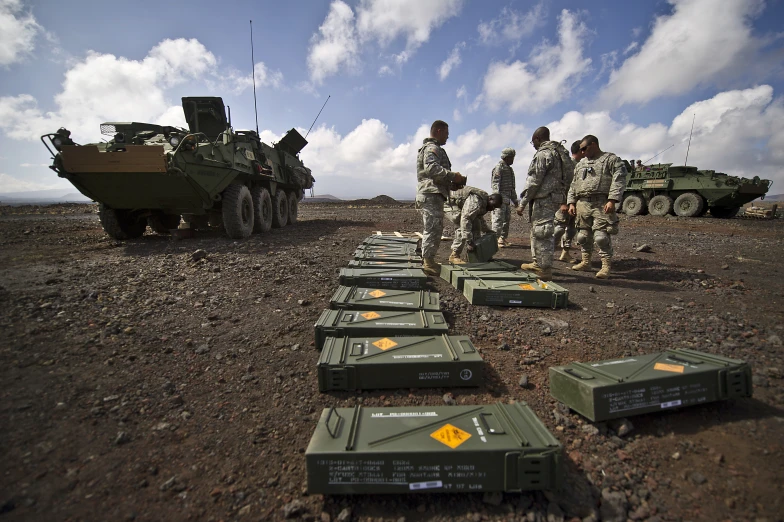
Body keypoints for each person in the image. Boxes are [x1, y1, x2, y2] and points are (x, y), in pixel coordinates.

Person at [567, 135, 627, 279]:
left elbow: (619, 179)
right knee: (582, 236)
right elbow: (573, 184)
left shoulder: (611, 160)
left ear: (593, 145)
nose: (582, 152)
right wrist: (571, 202)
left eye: (584, 148)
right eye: (580, 149)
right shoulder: (581, 164)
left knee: (601, 237)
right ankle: (586, 261)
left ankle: (606, 266)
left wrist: (612, 199)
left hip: (601, 203)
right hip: (582, 203)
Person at [516, 127, 573, 280]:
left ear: (537, 139)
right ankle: (537, 263)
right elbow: (569, 176)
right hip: (556, 197)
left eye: (532, 142)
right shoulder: (560, 153)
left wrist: (523, 203)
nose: (533, 145)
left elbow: (534, 181)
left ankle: (544, 269)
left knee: (542, 232)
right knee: (539, 230)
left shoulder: (543, 154)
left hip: (544, 198)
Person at [416, 120, 467, 276]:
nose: (447, 137)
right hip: (430, 195)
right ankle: (428, 262)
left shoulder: (435, 149)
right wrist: (454, 176)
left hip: (434, 193)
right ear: (438, 131)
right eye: (446, 133)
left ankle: (429, 260)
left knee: (435, 228)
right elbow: (432, 169)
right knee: (432, 229)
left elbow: (436, 176)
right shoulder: (432, 148)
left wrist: (451, 185)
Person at [445, 187, 503, 264]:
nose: (492, 209)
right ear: (490, 199)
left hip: (461, 207)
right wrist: (469, 241)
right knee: (461, 225)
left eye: (495, 208)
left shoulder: (484, 203)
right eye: (493, 205)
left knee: (476, 224)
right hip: (449, 203)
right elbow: (466, 219)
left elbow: (478, 218)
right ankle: (454, 255)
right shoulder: (476, 201)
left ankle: (476, 255)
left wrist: (487, 230)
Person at [553, 141, 583, 263]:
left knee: (572, 229)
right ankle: (548, 252)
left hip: (576, 202)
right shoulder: (567, 164)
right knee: (559, 228)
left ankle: (565, 253)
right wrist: (562, 202)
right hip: (564, 201)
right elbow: (559, 183)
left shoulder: (581, 165)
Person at [490, 148, 518, 247]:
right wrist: (496, 200)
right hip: (499, 200)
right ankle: (493, 242)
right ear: (506, 157)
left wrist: (515, 201)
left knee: (506, 221)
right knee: (497, 221)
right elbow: (495, 185)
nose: (513, 160)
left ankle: (502, 239)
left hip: (507, 200)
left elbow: (512, 187)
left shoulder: (509, 169)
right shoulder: (499, 168)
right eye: (511, 158)